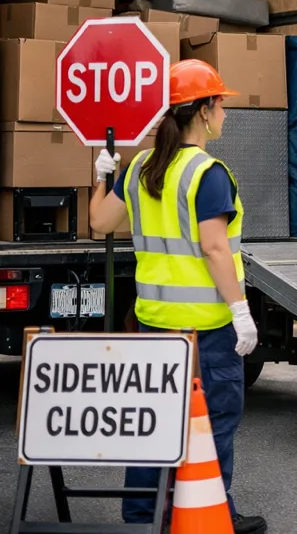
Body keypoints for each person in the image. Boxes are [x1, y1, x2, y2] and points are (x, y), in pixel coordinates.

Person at [90, 60, 266, 533]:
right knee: (215, 422)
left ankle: (141, 516)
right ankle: (210, 513)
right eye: (221, 103)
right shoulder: (207, 173)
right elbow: (213, 248)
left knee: (153, 422)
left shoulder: (142, 167)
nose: (224, 112)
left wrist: (102, 175)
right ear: (204, 111)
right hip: (205, 328)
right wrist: (241, 313)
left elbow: (100, 223)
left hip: (153, 321)